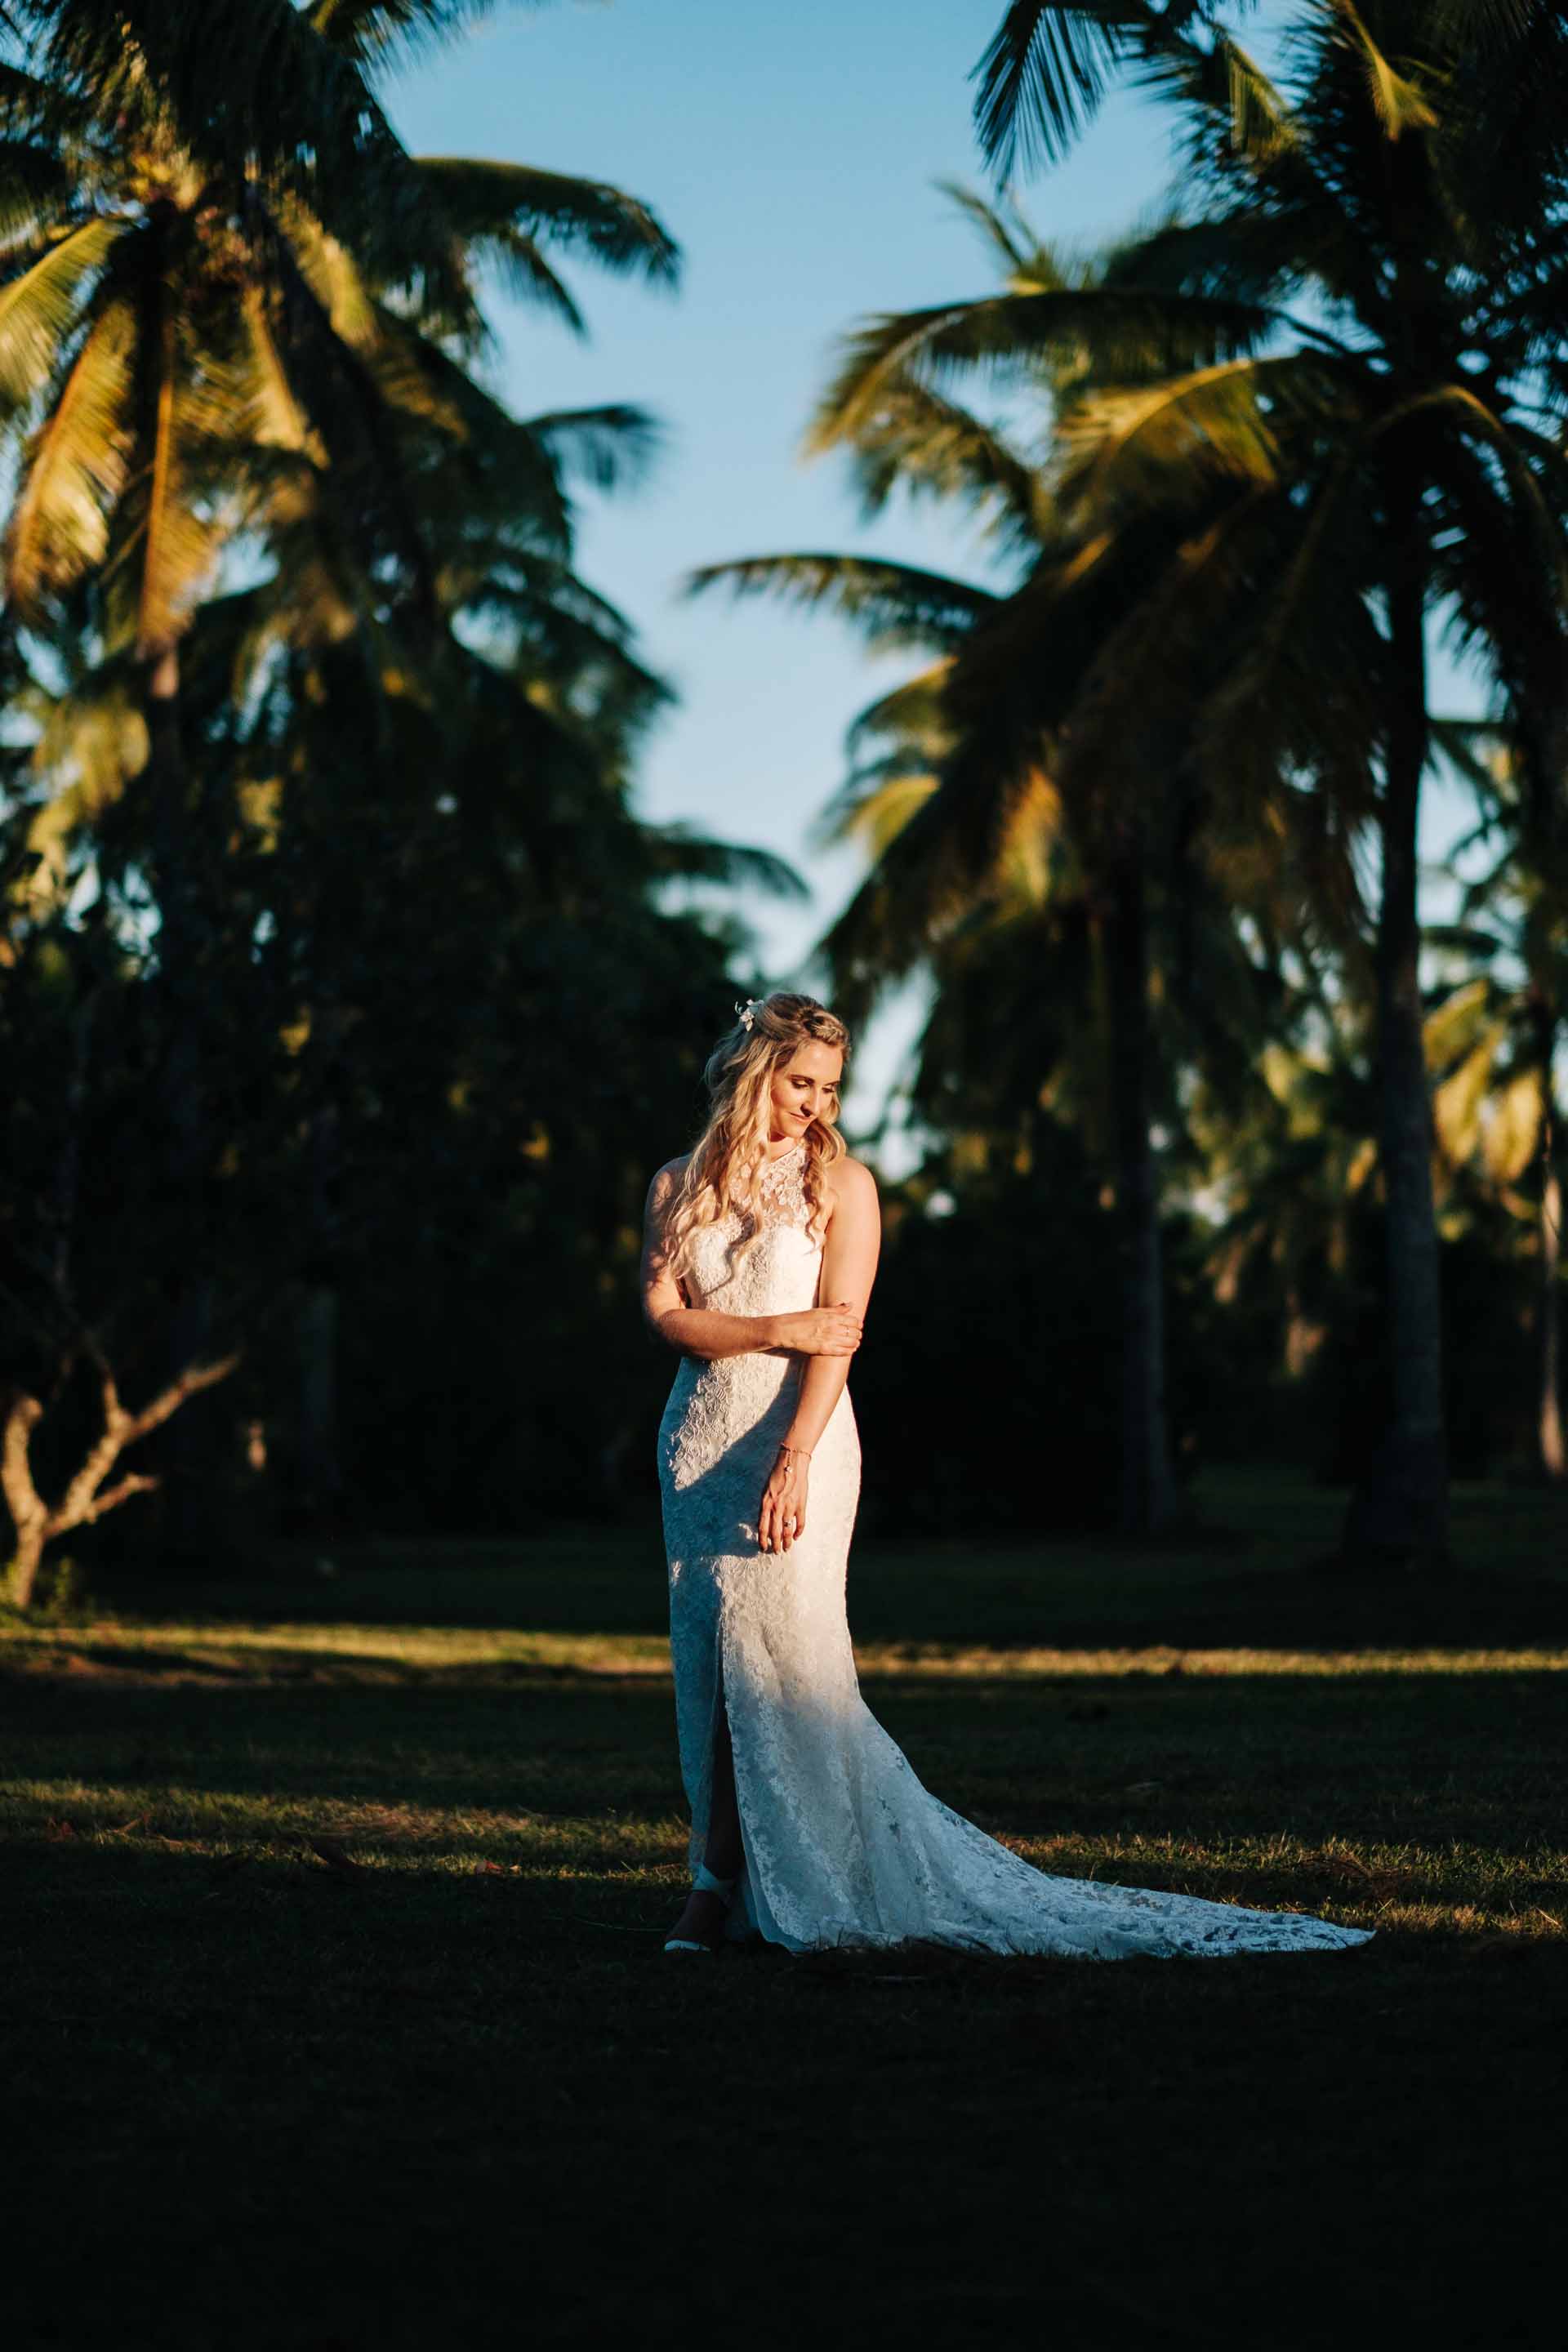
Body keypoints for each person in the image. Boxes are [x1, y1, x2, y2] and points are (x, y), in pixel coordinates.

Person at [639, 990, 1375, 1963]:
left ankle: (755, 1881)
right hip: (698, 1446)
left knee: (785, 1666)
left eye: (829, 1088)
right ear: (753, 1071)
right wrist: (778, 1327)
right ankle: (719, 1880)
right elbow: (664, 1315)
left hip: (798, 1439)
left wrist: (795, 1457)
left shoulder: (843, 1186)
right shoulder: (677, 1183)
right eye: (800, 1082)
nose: (815, 1103)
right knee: (712, 1676)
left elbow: (840, 1342)